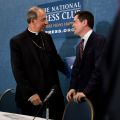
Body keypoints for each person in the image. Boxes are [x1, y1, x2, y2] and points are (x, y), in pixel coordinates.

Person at [10, 6, 67, 120]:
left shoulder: (47, 37)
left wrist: (72, 72)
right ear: (32, 21)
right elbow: (18, 71)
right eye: (43, 19)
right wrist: (30, 94)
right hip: (32, 98)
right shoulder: (17, 41)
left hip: (52, 96)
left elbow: (56, 60)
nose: (46, 22)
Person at [66, 11, 106, 119]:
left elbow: (99, 70)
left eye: (75, 22)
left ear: (84, 22)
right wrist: (72, 87)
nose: (72, 25)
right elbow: (76, 69)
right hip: (81, 97)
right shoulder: (80, 44)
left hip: (95, 98)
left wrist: (86, 92)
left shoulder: (99, 40)